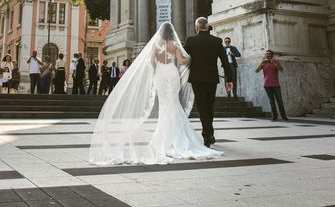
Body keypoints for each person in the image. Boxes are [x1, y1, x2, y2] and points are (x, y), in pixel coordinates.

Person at [89, 22, 223, 165]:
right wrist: (192, 59)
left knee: (164, 106)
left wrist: (155, 72)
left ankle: (163, 138)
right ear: (172, 33)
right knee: (174, 103)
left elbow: (151, 62)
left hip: (160, 75)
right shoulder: (174, 45)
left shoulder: (155, 45)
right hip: (172, 75)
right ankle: (178, 136)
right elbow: (182, 61)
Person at [184, 17, 233, 147]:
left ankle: (207, 135)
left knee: (202, 107)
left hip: (197, 78)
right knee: (209, 106)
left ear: (197, 28)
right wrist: (230, 79)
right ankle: (209, 133)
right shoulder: (217, 41)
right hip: (212, 79)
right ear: (207, 27)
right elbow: (225, 62)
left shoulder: (191, 40)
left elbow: (183, 59)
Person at [255, 50, 288, 121]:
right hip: (267, 85)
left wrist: (276, 65)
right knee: (271, 101)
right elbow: (256, 71)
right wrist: (261, 64)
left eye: (269, 54)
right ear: (265, 55)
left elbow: (281, 69)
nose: (268, 55)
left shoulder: (276, 62)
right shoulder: (263, 63)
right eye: (266, 54)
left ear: (272, 55)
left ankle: (283, 116)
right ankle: (274, 116)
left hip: (276, 84)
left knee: (279, 101)